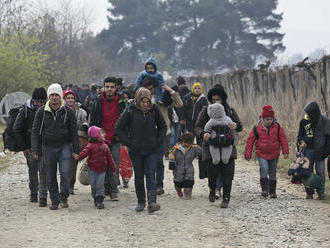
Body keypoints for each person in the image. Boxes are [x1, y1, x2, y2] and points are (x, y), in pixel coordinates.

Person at [115, 87, 166, 213]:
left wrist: (157, 141)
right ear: (138, 100)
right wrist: (129, 142)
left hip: (151, 149)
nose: (145, 104)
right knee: (139, 176)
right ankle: (141, 201)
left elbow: (163, 127)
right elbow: (118, 128)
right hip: (136, 150)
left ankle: (152, 202)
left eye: (147, 102)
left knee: (150, 175)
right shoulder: (130, 110)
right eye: (143, 102)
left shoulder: (154, 110)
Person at [31, 83, 79, 210]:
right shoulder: (41, 112)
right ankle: (54, 200)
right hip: (48, 147)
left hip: (64, 146)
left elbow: (74, 132)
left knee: (66, 173)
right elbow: (35, 132)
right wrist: (35, 149)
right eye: (51, 95)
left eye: (56, 95)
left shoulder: (68, 111)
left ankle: (64, 196)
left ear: (60, 96)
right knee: (50, 175)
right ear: (48, 97)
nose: (54, 98)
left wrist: (76, 150)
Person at [194, 84, 242, 208]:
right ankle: (212, 189)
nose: (216, 102)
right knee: (212, 173)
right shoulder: (206, 110)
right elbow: (197, 127)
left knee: (228, 174)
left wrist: (236, 126)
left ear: (223, 99)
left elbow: (240, 125)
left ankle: (226, 197)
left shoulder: (230, 110)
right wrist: (203, 134)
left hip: (228, 146)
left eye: (218, 99)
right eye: (214, 99)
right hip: (210, 147)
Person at [141, 77, 183, 195]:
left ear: (155, 88)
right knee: (148, 162)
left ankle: (159, 185)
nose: (149, 92)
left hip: (162, 135)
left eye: (151, 89)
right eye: (147, 89)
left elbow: (179, 104)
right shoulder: (141, 100)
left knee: (159, 161)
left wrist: (170, 91)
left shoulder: (162, 100)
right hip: (146, 135)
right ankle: (151, 185)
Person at [89, 77, 126, 201]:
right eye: (107, 87)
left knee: (114, 164)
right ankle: (104, 189)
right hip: (101, 139)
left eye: (112, 87)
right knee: (102, 164)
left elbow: (126, 120)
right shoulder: (97, 102)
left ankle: (114, 190)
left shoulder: (122, 102)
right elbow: (93, 121)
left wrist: (124, 136)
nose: (109, 89)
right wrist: (94, 137)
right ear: (103, 88)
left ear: (116, 88)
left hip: (116, 138)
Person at [245, 105, 289, 198]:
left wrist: (285, 152)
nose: (269, 121)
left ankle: (272, 191)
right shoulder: (257, 128)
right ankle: (265, 189)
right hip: (261, 153)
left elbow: (283, 139)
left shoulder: (277, 127)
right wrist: (248, 153)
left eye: (270, 119)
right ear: (262, 119)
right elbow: (250, 141)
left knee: (272, 171)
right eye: (266, 119)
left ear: (273, 118)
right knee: (264, 169)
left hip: (274, 153)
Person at [13, 87, 48, 206]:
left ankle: (43, 194)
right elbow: (16, 129)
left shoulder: (49, 109)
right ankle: (34, 192)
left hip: (46, 145)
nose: (39, 104)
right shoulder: (25, 111)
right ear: (33, 100)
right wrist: (24, 147)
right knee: (33, 171)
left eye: (42, 102)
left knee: (45, 170)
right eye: (37, 102)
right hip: (30, 147)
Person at [76, 126, 116, 209]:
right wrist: (78, 157)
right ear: (95, 135)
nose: (104, 135)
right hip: (92, 169)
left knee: (100, 185)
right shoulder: (90, 146)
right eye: (101, 133)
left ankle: (100, 200)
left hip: (102, 170)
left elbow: (110, 158)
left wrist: (113, 168)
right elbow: (84, 153)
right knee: (93, 185)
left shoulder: (105, 146)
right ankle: (95, 197)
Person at [297, 101, 330, 199]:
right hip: (308, 151)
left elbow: (329, 138)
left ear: (314, 112)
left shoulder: (325, 121)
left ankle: (321, 193)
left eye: (309, 113)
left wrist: (326, 152)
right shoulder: (304, 122)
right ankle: (309, 193)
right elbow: (299, 136)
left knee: (320, 172)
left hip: (321, 152)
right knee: (307, 172)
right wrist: (301, 143)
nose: (307, 115)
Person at [63, 89, 88, 194]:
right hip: (63, 141)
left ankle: (71, 185)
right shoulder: (60, 110)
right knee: (65, 165)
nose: (70, 100)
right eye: (68, 98)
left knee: (73, 165)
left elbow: (86, 122)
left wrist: (84, 127)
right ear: (64, 99)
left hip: (77, 141)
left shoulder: (81, 112)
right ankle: (64, 185)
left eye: (72, 98)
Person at [169, 132, 201, 199]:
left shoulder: (193, 148)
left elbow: (201, 151)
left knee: (189, 181)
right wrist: (172, 162)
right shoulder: (176, 148)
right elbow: (171, 155)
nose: (185, 144)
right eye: (184, 142)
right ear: (181, 141)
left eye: (188, 143)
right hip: (178, 168)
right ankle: (179, 190)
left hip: (189, 167)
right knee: (177, 182)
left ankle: (187, 193)